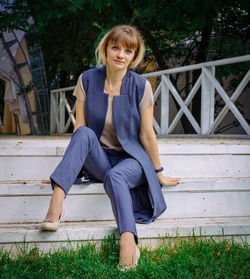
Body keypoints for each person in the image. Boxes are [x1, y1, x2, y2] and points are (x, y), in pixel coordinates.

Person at [41, 25, 179, 270]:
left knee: (117, 176)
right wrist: (66, 172)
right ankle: (56, 206)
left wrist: (158, 173)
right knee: (83, 131)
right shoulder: (87, 79)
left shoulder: (141, 86)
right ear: (105, 49)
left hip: (132, 161)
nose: (121, 54)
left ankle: (128, 240)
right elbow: (80, 130)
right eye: (115, 47)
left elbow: (147, 135)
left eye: (128, 50)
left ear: (134, 56)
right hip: (100, 160)